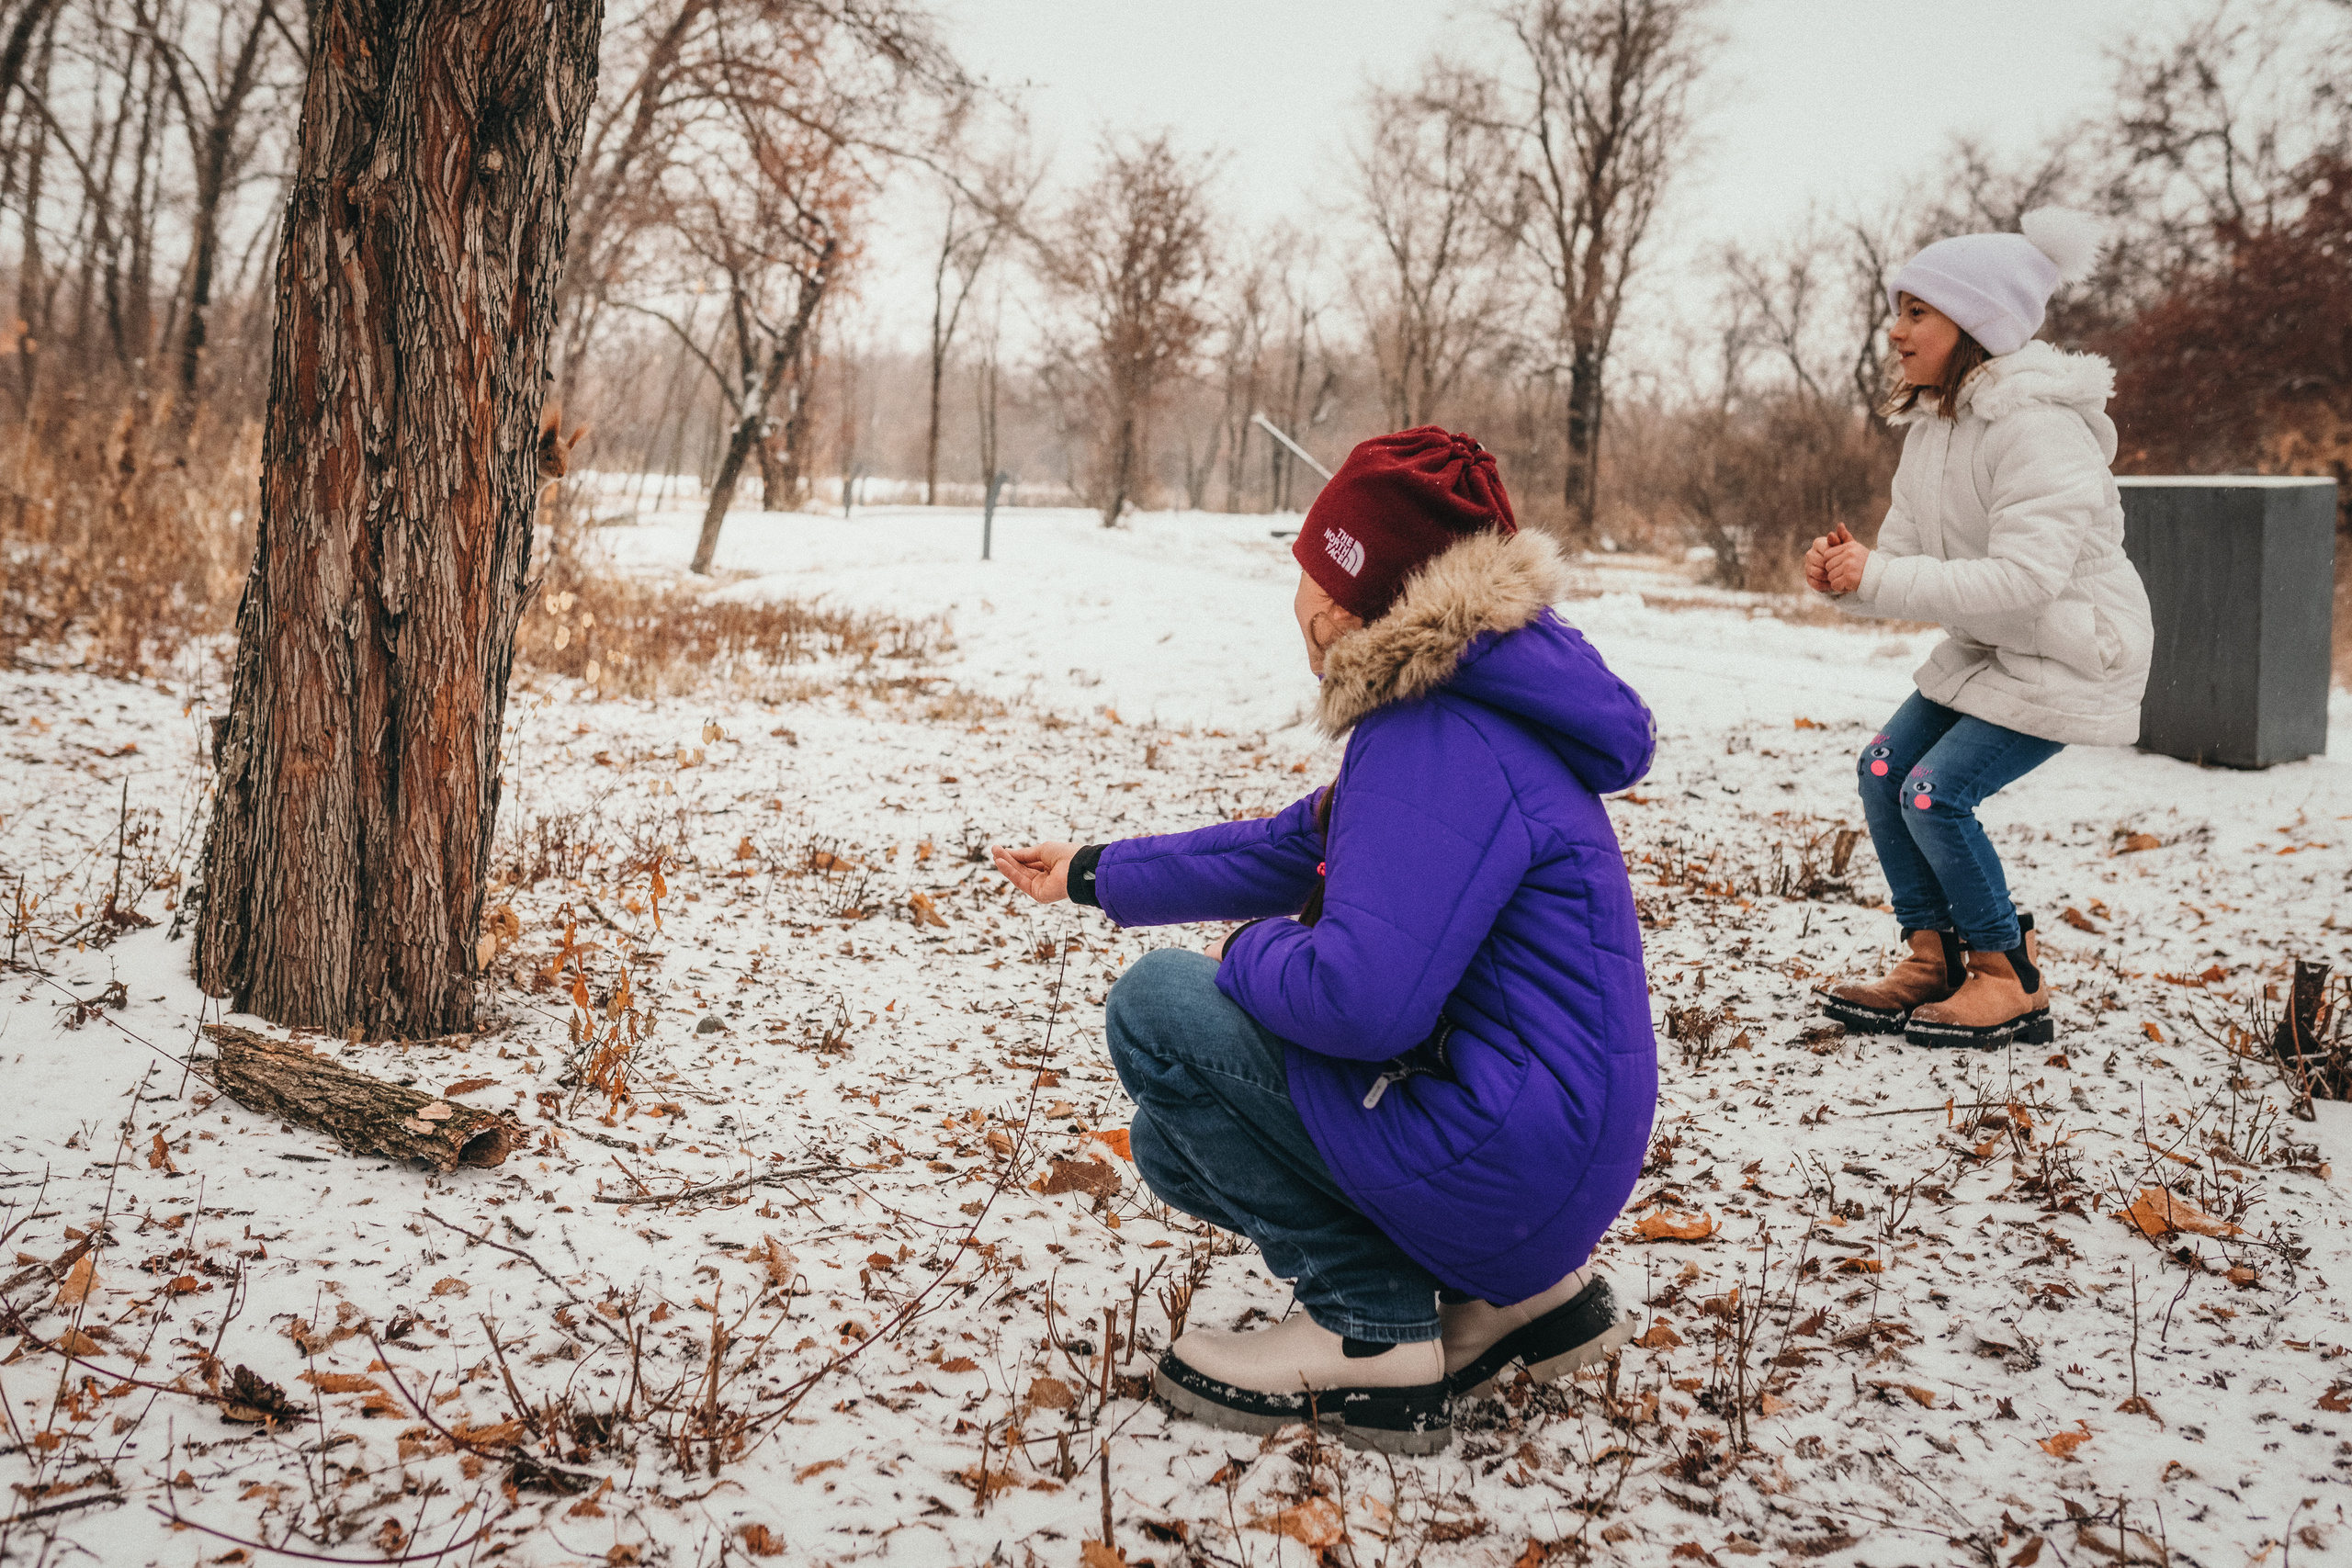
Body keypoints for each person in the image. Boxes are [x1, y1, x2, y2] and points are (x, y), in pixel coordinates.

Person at [992, 428, 1658, 1454]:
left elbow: (1360, 1001)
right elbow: (1295, 844)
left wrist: (1247, 951)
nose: (1296, 592)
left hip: (1508, 1151)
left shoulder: (1428, 734)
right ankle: (1508, 1298)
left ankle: (1368, 1324)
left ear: (1345, 598)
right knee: (1173, 1140)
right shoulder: (1479, 708)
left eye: (1308, 565)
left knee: (1158, 1007)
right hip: (1547, 1152)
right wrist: (1092, 869)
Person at [1809, 208, 2153, 1048]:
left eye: (1916, 312)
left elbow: (2027, 583)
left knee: (1935, 793)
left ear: (1976, 323)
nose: (1896, 331)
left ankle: (2007, 976)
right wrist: (1849, 576)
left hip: (2071, 650)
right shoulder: (1936, 426)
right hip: (1995, 645)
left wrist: (1878, 574)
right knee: (1883, 769)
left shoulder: (2040, 429)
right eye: (1897, 311)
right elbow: (1907, 558)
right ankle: (1933, 957)